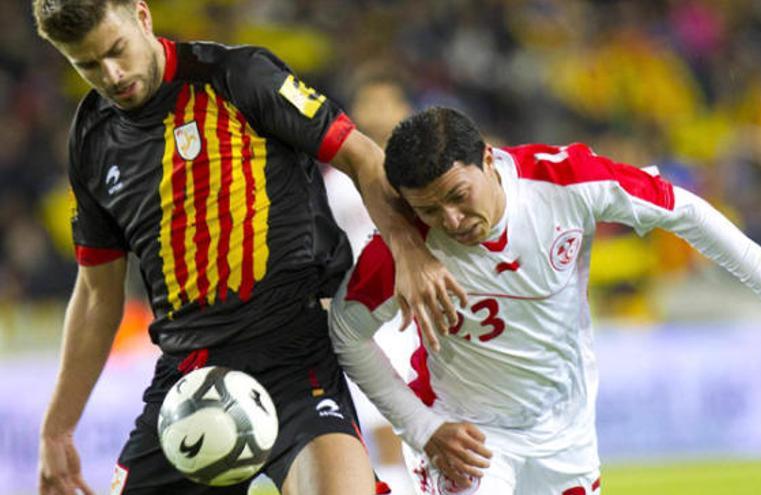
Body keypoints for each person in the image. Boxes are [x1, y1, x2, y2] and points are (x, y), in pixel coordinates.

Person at [33, 1, 468, 494]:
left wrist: (409, 254)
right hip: (187, 378)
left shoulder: (236, 76)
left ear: (142, 17)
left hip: (292, 354)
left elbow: (361, 156)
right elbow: (96, 292)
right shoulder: (91, 138)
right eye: (86, 65)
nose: (111, 75)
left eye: (116, 51)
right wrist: (58, 427)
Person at [329, 107, 761, 494]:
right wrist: (421, 428)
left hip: (566, 430)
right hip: (468, 434)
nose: (450, 221)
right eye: (429, 210)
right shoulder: (405, 245)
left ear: (489, 160)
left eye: (458, 197)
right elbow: (346, 332)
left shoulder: (563, 182)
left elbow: (681, 209)